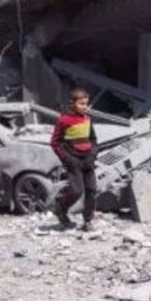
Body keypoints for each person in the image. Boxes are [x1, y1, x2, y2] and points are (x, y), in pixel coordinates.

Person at [50, 87, 99, 231]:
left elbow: (93, 139)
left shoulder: (88, 119)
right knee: (76, 191)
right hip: (73, 160)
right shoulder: (64, 120)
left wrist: (93, 154)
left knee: (91, 190)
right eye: (81, 104)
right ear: (72, 103)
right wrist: (68, 159)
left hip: (88, 160)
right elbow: (55, 142)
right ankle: (61, 208)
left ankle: (88, 221)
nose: (85, 107)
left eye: (86, 104)